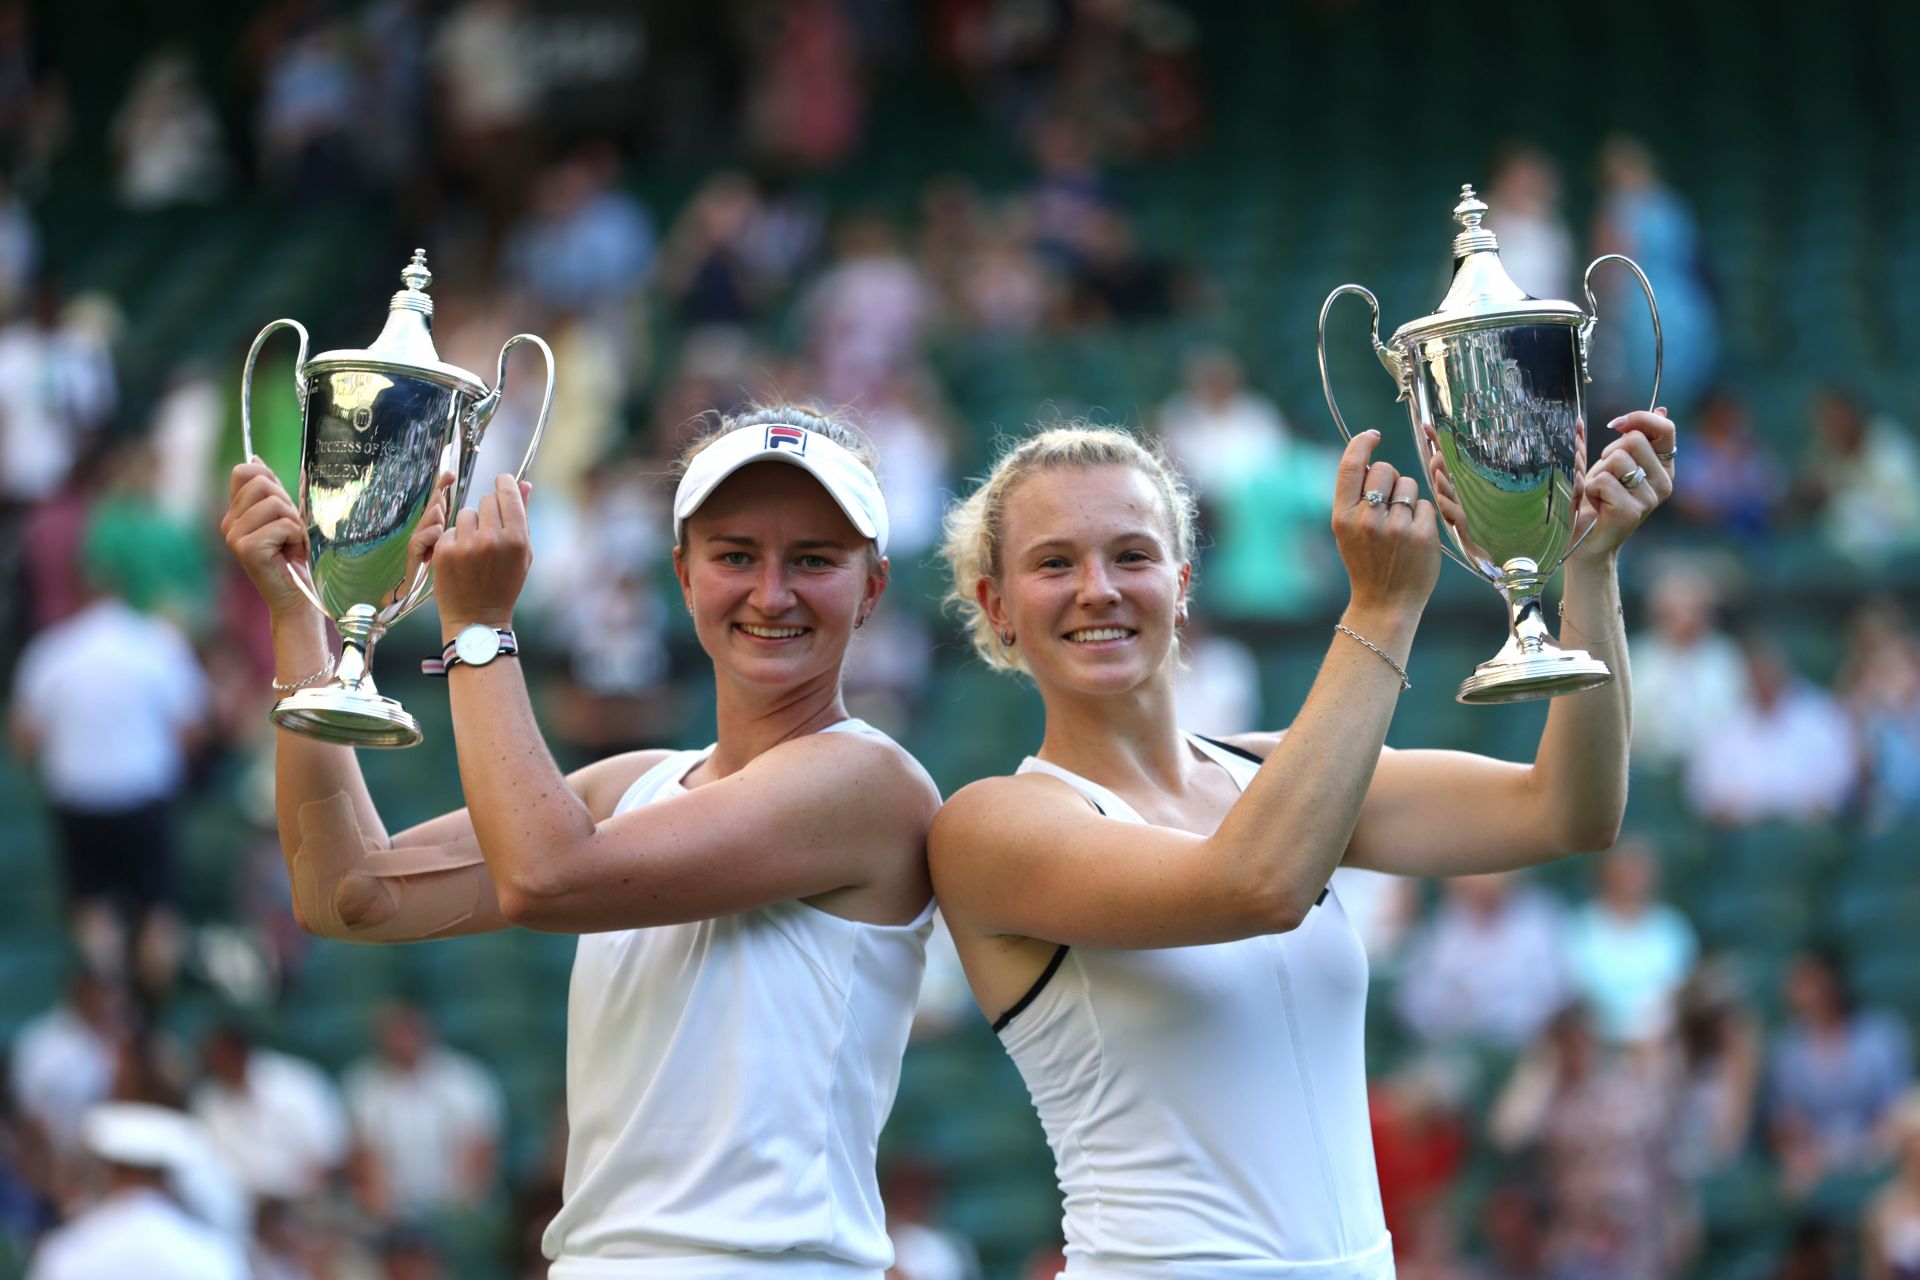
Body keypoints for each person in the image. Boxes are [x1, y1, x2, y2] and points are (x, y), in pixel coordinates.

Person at [931, 407, 1676, 1276]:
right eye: (1054, 562)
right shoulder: (989, 826)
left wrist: (1590, 565)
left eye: (1131, 554)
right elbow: (1258, 885)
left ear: (1180, 584)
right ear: (997, 605)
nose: (1097, 587)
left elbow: (1567, 810)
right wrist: (1384, 606)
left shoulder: (1281, 775)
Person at [221, 404, 938, 1277]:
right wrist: (299, 617)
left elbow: (546, 877)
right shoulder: (629, 784)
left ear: (873, 588)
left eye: (815, 560)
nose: (771, 592)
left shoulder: (871, 783)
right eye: (735, 554)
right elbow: (350, 894)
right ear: (683, 574)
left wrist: (479, 628)